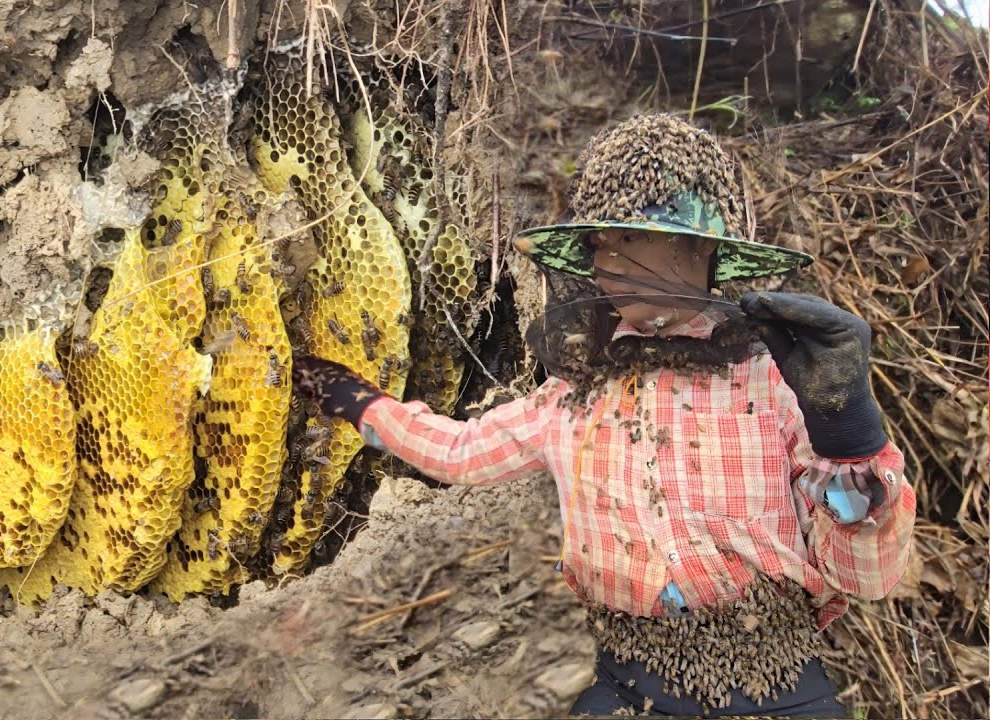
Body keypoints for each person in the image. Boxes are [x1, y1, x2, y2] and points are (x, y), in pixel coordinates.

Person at [291, 114, 915, 717]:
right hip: (626, 677)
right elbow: (460, 452)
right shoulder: (574, 397)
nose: (616, 264)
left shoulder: (776, 381)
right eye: (603, 245)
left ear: (703, 251)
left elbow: (869, 575)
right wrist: (359, 402)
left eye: (639, 240)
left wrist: (851, 440)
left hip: (776, 683)